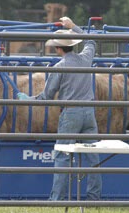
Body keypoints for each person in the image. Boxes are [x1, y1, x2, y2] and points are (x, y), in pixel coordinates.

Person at [17, 17, 102, 201]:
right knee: (92, 156)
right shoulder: (86, 58)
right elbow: (92, 40)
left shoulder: (59, 67)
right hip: (89, 113)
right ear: (72, 45)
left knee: (63, 155)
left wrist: (26, 99)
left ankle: (57, 198)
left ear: (58, 49)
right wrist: (73, 26)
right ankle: (94, 197)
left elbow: (46, 97)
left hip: (71, 113)